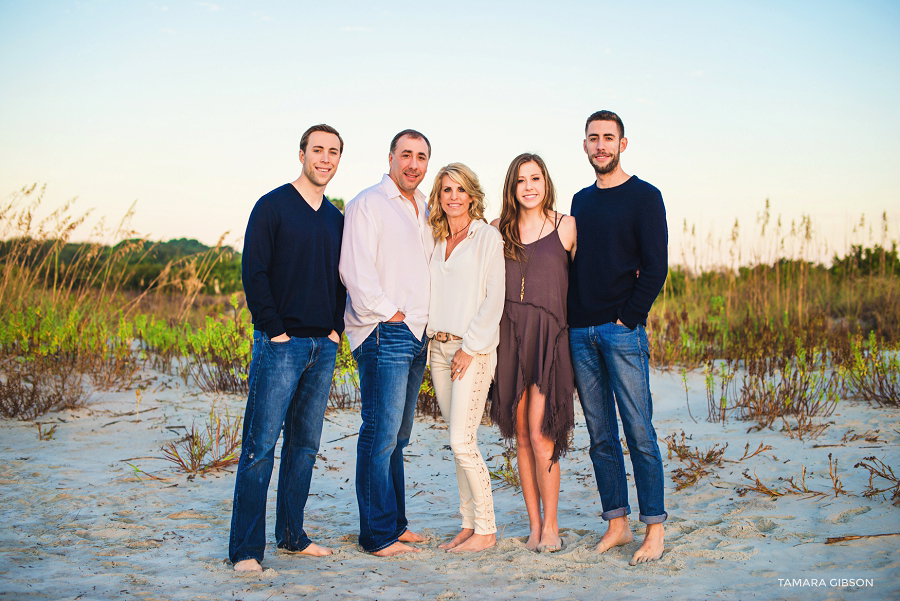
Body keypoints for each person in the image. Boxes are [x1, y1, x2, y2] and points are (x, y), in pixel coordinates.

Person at [229, 124, 346, 572]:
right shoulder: (272, 206)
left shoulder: (335, 218)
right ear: (301, 154)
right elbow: (253, 272)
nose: (325, 159)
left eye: (333, 152)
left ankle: (292, 537)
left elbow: (342, 278)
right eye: (318, 150)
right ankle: (244, 551)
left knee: (304, 446)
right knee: (260, 448)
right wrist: (273, 329)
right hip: (281, 345)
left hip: (323, 347)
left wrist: (335, 328)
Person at [567, 110, 668, 565]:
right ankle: (617, 523)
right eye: (593, 138)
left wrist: (629, 318)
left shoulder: (646, 197)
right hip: (580, 333)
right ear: (585, 145)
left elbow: (656, 266)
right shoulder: (580, 201)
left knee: (639, 431)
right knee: (600, 435)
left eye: (609, 138)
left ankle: (654, 529)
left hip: (621, 332)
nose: (601, 145)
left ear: (623, 144)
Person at [340, 129, 434, 557]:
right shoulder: (367, 204)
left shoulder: (426, 209)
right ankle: (376, 535)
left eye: (422, 157)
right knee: (379, 435)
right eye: (407, 155)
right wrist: (389, 312)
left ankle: (395, 525)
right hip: (384, 331)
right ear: (391, 157)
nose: (414, 163)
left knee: (398, 437)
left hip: (417, 335)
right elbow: (354, 270)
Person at [490, 153, 576, 553]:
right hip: (508, 339)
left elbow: (585, 284)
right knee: (521, 434)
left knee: (543, 434)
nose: (529, 186)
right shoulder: (496, 231)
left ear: (546, 182)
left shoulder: (566, 227)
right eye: (521, 180)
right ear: (512, 187)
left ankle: (553, 527)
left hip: (549, 341)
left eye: (536, 178)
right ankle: (534, 527)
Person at [425, 163, 505, 553]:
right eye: (445, 190)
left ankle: (487, 529)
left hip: (470, 350)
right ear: (438, 197)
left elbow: (494, 299)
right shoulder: (436, 239)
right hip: (437, 350)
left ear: (472, 195)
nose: (453, 196)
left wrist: (470, 347)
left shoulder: (487, 237)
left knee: (462, 441)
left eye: (459, 189)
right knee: (456, 440)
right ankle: (469, 523)